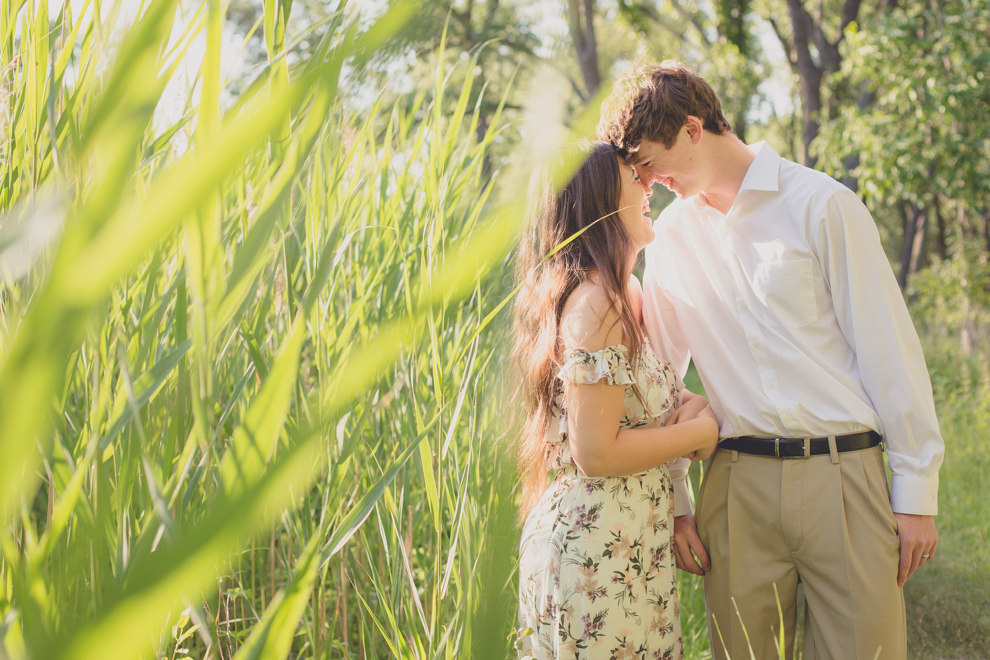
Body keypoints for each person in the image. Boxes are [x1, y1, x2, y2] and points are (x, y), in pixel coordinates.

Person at [596, 60, 945, 659]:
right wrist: (680, 502)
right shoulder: (673, 238)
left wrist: (915, 493)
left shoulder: (822, 205)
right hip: (736, 485)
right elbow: (660, 378)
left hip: (845, 475)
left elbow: (890, 351)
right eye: (638, 171)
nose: (647, 181)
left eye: (650, 161)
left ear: (692, 128)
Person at [513, 141, 720, 659]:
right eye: (634, 178)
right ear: (603, 199)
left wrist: (693, 409)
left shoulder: (624, 293)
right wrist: (699, 433)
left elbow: (652, 404)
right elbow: (597, 451)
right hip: (594, 556)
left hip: (629, 547)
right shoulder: (595, 303)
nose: (650, 185)